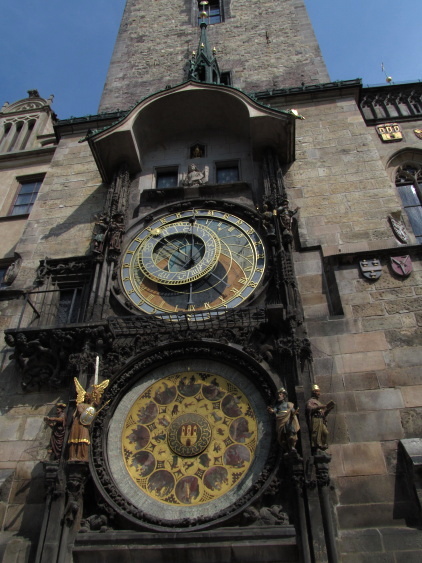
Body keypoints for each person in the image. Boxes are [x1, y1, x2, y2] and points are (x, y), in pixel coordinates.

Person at [306, 384, 335, 451]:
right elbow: (309, 408)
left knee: (325, 432)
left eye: (319, 391)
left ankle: (322, 444)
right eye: (317, 391)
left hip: (321, 419)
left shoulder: (318, 402)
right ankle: (316, 446)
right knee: (316, 433)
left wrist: (329, 409)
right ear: (314, 392)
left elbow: (323, 413)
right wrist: (319, 407)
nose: (319, 393)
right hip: (315, 419)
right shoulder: (311, 401)